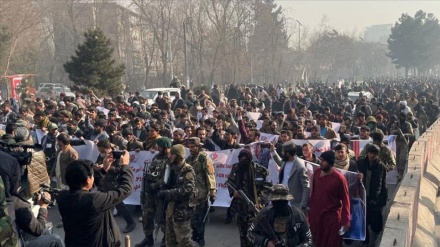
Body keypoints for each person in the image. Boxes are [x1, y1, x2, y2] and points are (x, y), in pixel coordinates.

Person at [57, 153, 133, 247]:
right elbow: (125, 189)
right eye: (92, 175)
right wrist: (125, 166)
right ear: (88, 179)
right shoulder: (94, 200)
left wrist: (104, 170)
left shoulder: (62, 197)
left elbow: (83, 186)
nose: (93, 177)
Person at [226, 148, 271, 247]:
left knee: (253, 235)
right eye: (241, 158)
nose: (243, 160)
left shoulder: (260, 170)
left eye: (246, 158)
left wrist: (260, 201)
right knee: (243, 236)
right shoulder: (236, 168)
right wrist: (234, 193)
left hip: (255, 208)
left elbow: (267, 187)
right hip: (240, 208)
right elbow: (229, 182)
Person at [156, 144, 198, 247]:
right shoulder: (170, 168)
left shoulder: (187, 170)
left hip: (181, 210)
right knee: (170, 239)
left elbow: (187, 190)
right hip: (170, 208)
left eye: (172, 154)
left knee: (184, 241)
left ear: (179, 156)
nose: (169, 156)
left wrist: (167, 193)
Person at [248, 184, 313, 247]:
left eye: (283, 201)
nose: (280, 204)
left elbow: (309, 240)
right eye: (276, 201)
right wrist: (266, 242)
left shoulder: (297, 215)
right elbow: (250, 234)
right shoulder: (264, 215)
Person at [308, 151, 350, 247]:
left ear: (330, 162)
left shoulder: (339, 179)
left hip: (331, 220)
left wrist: (345, 220)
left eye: (324, 161)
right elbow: (313, 194)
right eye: (320, 160)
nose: (321, 163)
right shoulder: (317, 172)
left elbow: (346, 200)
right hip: (316, 217)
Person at [136, 137, 172, 247]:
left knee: (162, 218)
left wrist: (155, 185)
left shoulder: (170, 160)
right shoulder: (156, 157)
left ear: (166, 148)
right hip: (149, 193)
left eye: (160, 146)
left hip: (161, 194)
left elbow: (167, 178)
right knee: (147, 216)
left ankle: (165, 240)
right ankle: (148, 238)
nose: (158, 148)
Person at [185, 137, 216, 246]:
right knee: (192, 218)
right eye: (190, 147)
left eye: (193, 147)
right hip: (191, 194)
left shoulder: (204, 158)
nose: (191, 149)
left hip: (202, 193)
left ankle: (200, 237)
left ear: (198, 147)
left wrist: (212, 191)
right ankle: (194, 235)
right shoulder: (189, 159)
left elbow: (210, 175)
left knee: (201, 218)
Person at [12, 182, 64, 247]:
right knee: (56, 240)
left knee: (45, 230)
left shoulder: (8, 199)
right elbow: (38, 229)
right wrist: (43, 207)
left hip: (15, 235)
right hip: (15, 243)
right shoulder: (17, 203)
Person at [357, 144, 388, 247]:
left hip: (375, 201)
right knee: (363, 223)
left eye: (375, 154)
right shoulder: (360, 163)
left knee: (376, 226)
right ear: (367, 153)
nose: (372, 155)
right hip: (362, 199)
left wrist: (382, 201)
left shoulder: (381, 166)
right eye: (370, 153)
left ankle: (374, 243)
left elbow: (383, 184)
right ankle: (365, 243)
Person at [270, 140, 310, 212]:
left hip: (294, 204)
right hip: (283, 199)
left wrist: (303, 206)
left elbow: (306, 188)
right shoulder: (285, 161)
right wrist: (273, 151)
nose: (282, 153)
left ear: (288, 154)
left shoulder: (300, 167)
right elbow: (280, 162)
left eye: (283, 152)